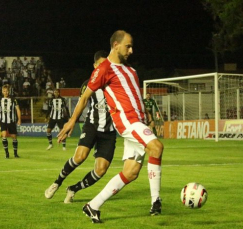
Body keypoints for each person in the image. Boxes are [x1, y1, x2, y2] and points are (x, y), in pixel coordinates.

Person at [57, 30, 164, 223]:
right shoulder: (104, 68)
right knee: (157, 147)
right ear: (115, 45)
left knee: (131, 172)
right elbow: (84, 97)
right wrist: (72, 120)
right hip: (127, 122)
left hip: (138, 121)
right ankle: (156, 201)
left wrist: (146, 117)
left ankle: (93, 206)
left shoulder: (130, 70)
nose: (131, 50)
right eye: (128, 46)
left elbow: (134, 97)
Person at [44, 50, 117, 204]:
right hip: (92, 125)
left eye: (106, 64)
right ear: (95, 65)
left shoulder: (116, 83)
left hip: (109, 132)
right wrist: (72, 121)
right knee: (80, 157)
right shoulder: (88, 84)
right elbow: (83, 101)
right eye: (100, 64)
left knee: (101, 169)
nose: (103, 67)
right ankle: (57, 182)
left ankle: (73, 189)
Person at [0, 84, 21, 158]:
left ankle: (15, 153)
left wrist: (19, 119)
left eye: (7, 91)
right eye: (4, 91)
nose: (6, 92)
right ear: (2, 91)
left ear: (9, 91)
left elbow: (18, 109)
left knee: (14, 137)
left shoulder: (13, 99)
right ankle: (7, 153)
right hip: (3, 121)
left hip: (11, 121)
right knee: (4, 135)